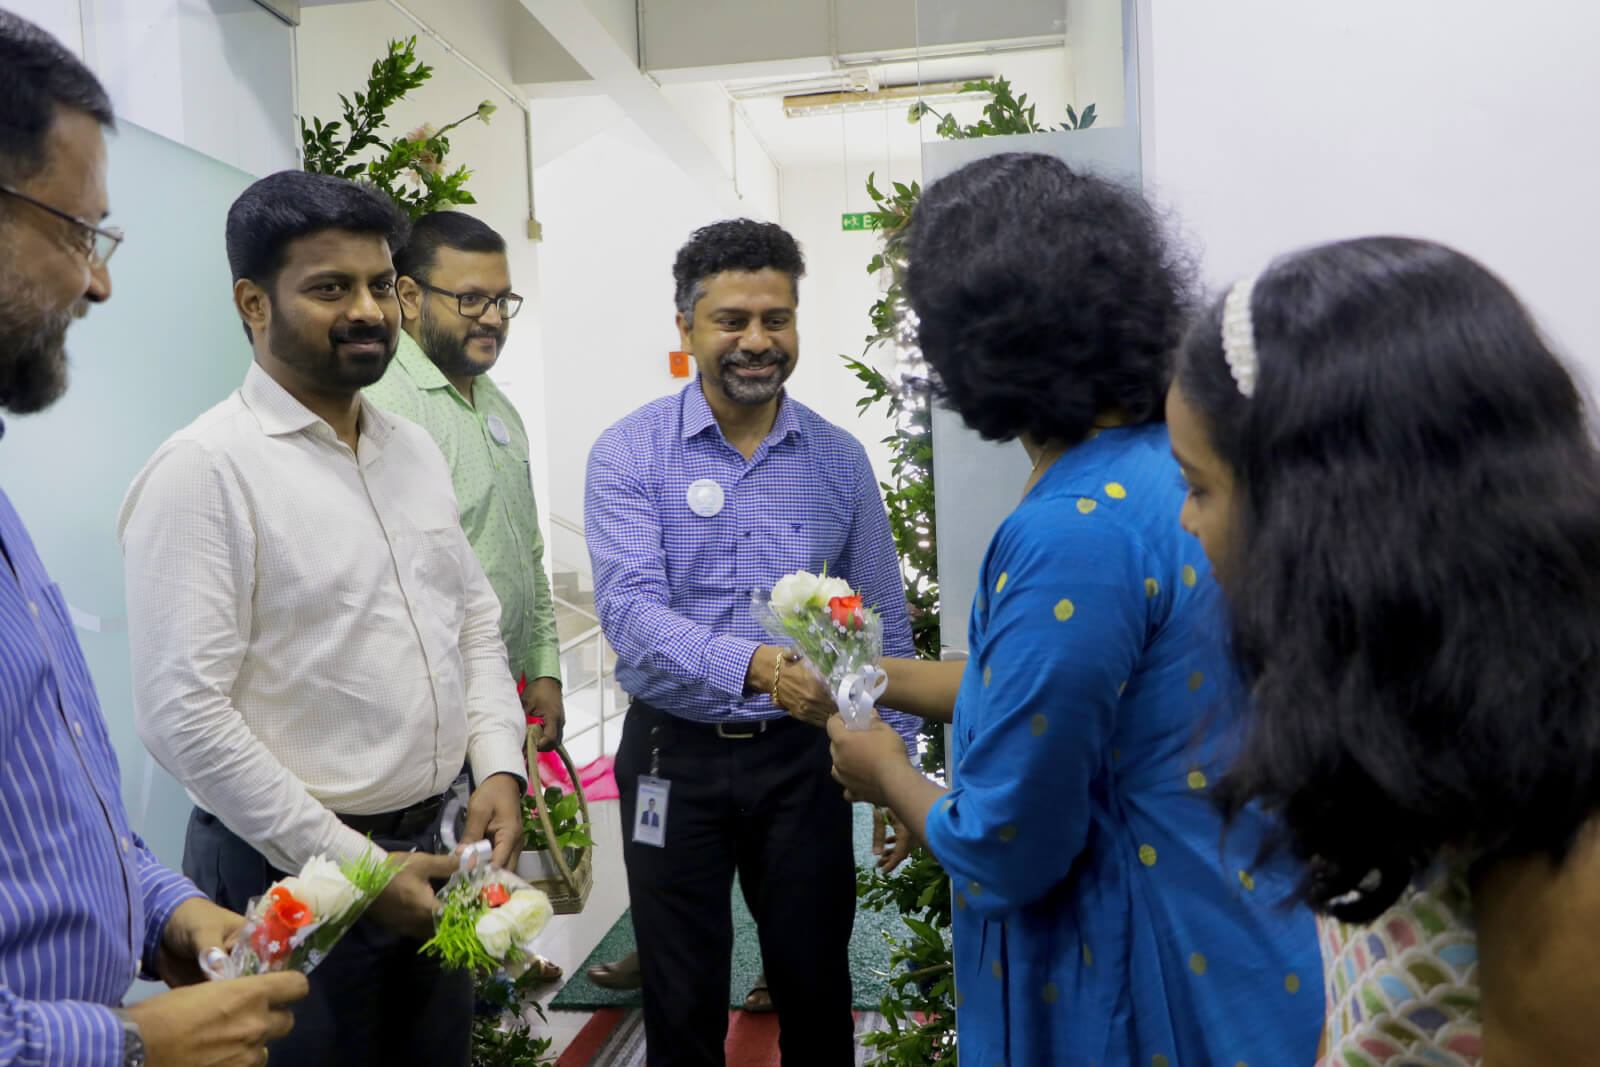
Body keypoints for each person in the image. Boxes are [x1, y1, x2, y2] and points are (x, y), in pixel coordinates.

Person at [826, 153, 1322, 1067]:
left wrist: (885, 768)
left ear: (977, 341)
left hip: (1140, 971)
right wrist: (875, 673)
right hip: (1243, 922)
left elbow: (1009, 842)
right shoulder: (1175, 464)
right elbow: (1076, 697)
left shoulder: (1070, 528)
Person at [118, 170, 529, 1067]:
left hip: (434, 847)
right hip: (285, 872)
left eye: (381, 284)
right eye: (330, 287)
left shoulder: (409, 447)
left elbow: (472, 619)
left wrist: (499, 762)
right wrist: (355, 863)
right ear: (252, 303)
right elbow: (181, 712)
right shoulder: (205, 470)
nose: (369, 311)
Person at [1167, 236, 1600, 1065]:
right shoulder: (1420, 723)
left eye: (1200, 486)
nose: (1187, 523)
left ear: (1319, 516)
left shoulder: (1561, 858)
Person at [0, 13, 307, 1067]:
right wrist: (127, 1043)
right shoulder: (199, 464)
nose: (100, 281)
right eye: (77, 232)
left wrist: (168, 910)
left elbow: (52, 802)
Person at [584, 218, 918, 1066]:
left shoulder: (839, 459)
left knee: (814, 982)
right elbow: (629, 610)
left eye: (777, 318)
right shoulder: (628, 453)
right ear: (687, 326)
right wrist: (759, 666)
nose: (756, 341)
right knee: (680, 986)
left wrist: (897, 764)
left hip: (802, 762)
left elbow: (882, 612)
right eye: (732, 319)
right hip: (670, 755)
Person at [363, 210, 565, 983]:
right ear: (409, 298)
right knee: (425, 944)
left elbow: (526, 549)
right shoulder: (387, 408)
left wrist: (543, 662)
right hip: (424, 722)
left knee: (476, 911)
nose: (491, 319)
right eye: (470, 299)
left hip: (493, 705)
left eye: (504, 301)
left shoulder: (499, 408)